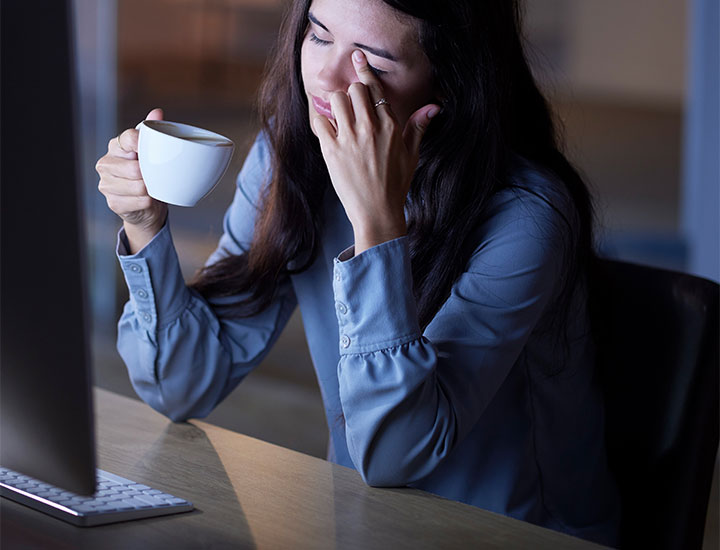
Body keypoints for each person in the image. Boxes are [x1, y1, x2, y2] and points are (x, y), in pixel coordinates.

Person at [96, 0, 621, 545]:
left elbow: (397, 455)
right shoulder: (290, 156)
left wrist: (376, 223)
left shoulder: (528, 215)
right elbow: (180, 386)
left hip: (512, 532)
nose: (325, 76)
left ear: (450, 81)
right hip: (361, 520)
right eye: (319, 37)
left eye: (371, 62)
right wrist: (143, 225)